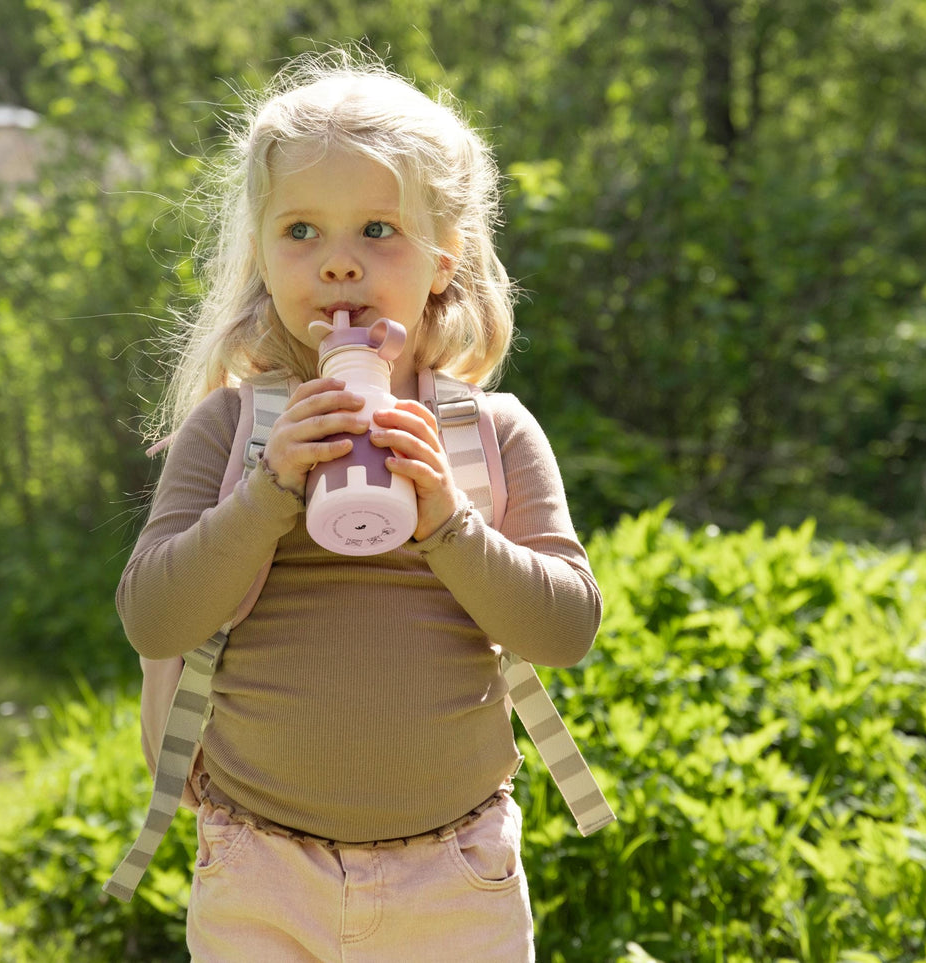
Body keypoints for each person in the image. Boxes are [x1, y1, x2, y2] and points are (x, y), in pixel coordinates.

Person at [117, 51, 602, 962]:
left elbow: (565, 631)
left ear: (439, 264)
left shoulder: (488, 431)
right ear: (262, 257)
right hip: (260, 869)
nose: (338, 264)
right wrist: (266, 496)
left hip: (454, 874)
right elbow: (152, 616)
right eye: (300, 231)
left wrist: (451, 524)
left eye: (378, 229)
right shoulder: (229, 427)